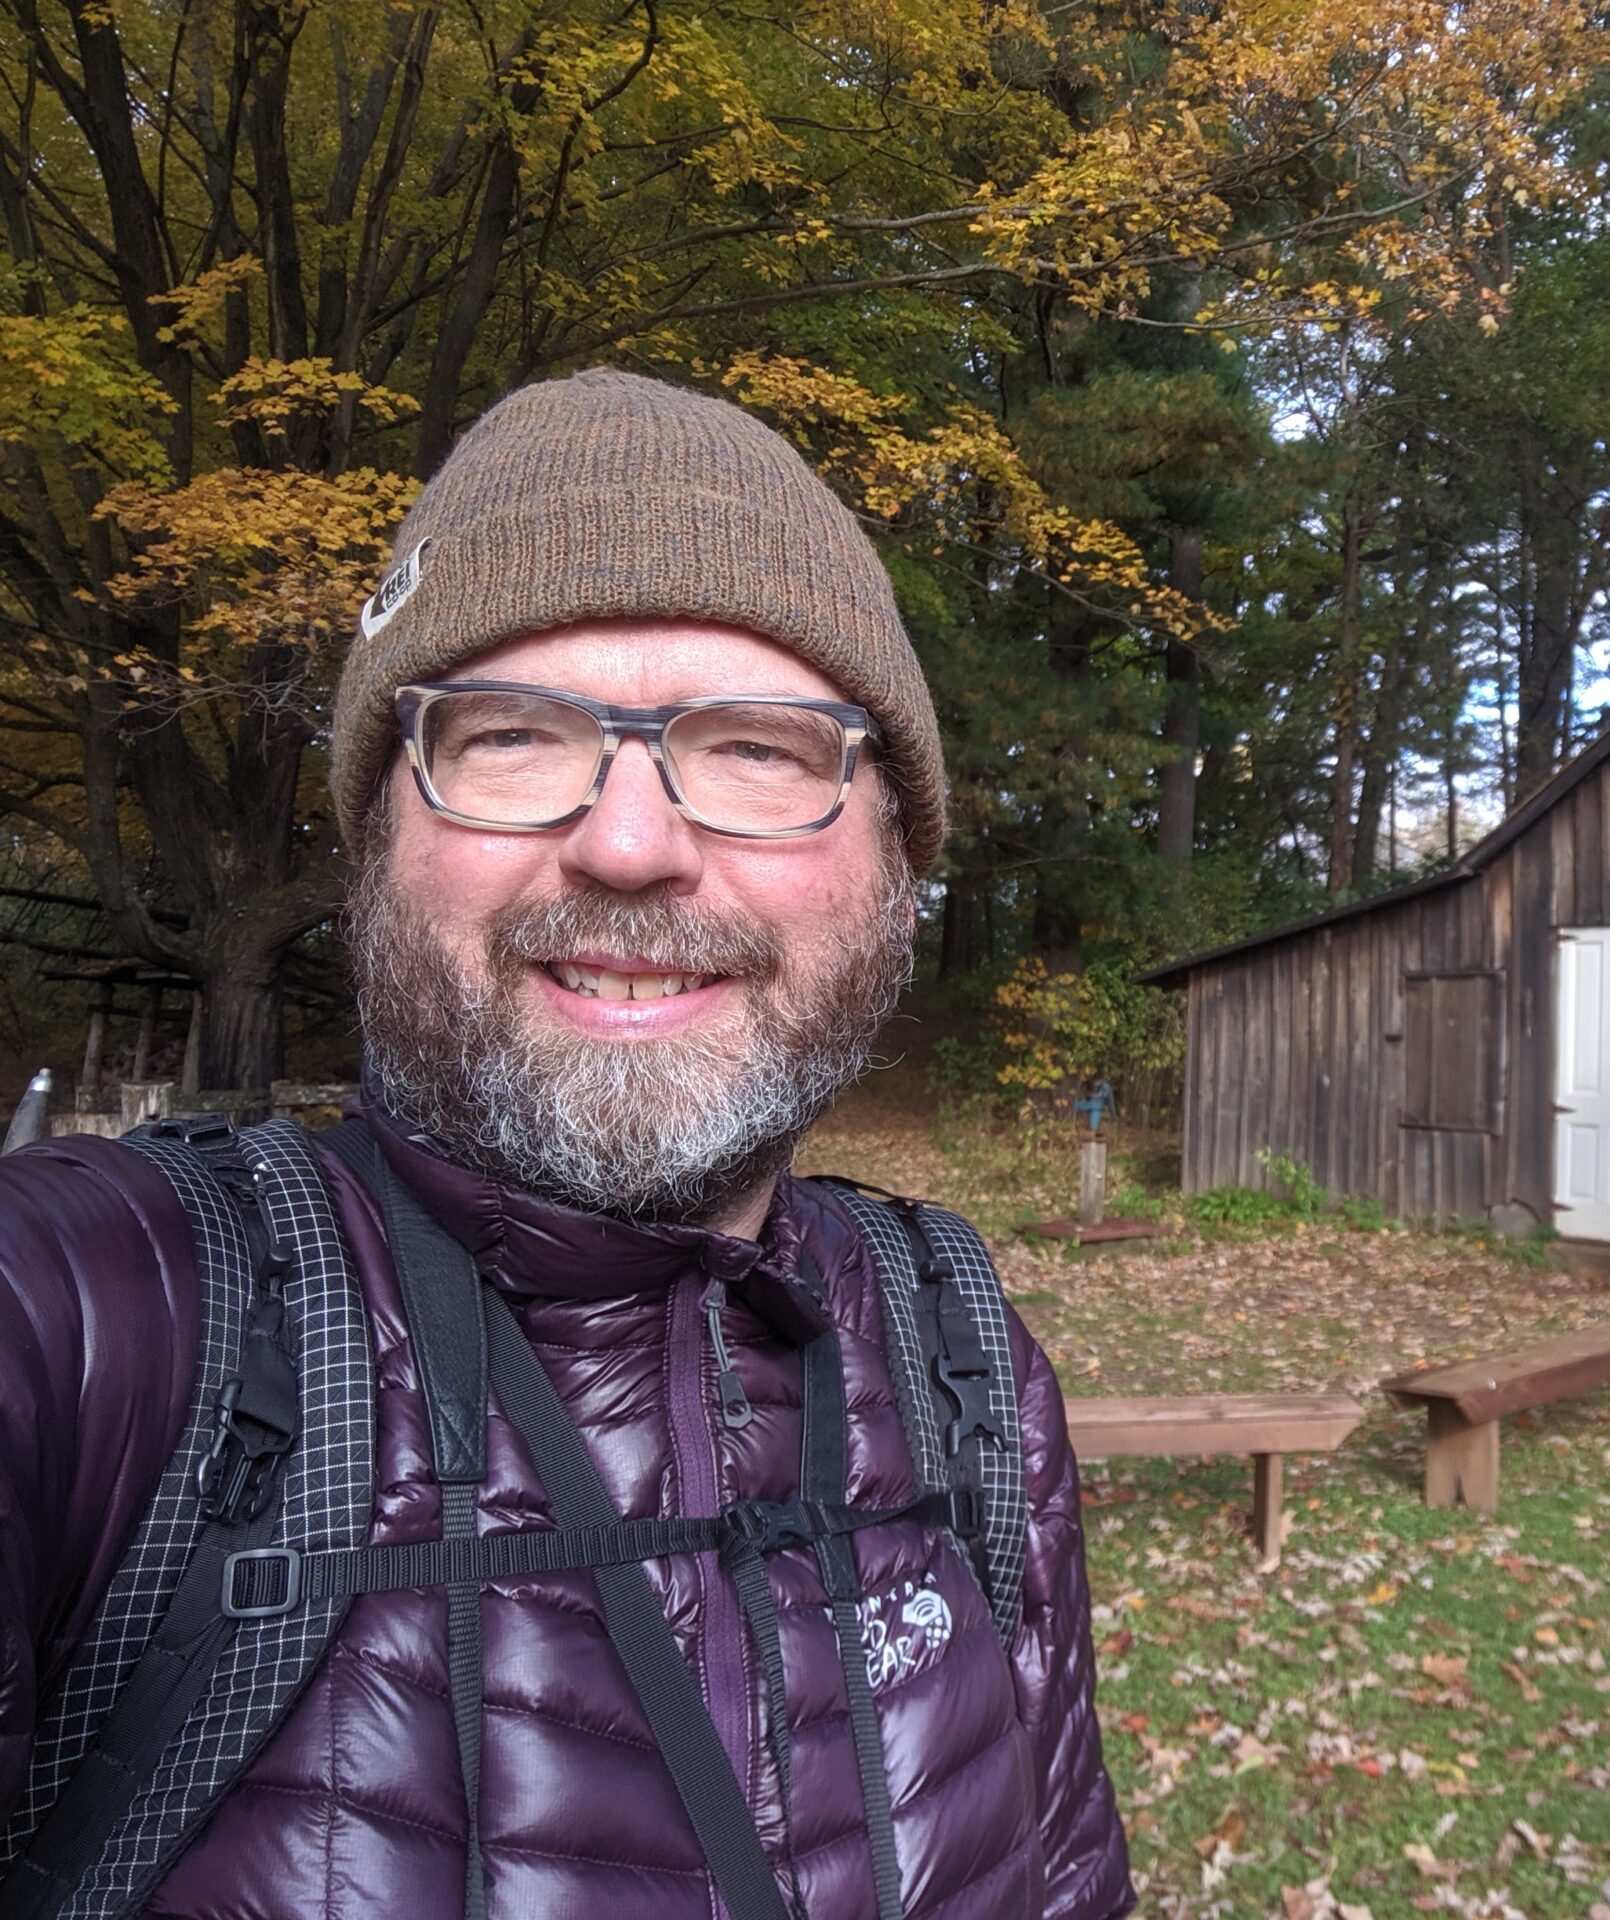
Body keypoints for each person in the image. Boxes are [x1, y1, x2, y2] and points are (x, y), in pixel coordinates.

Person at [0, 371, 1131, 1920]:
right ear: (379, 840)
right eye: (515, 737)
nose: (629, 841)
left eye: (758, 751)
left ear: (895, 863)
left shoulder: (959, 1359)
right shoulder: (99, 1331)